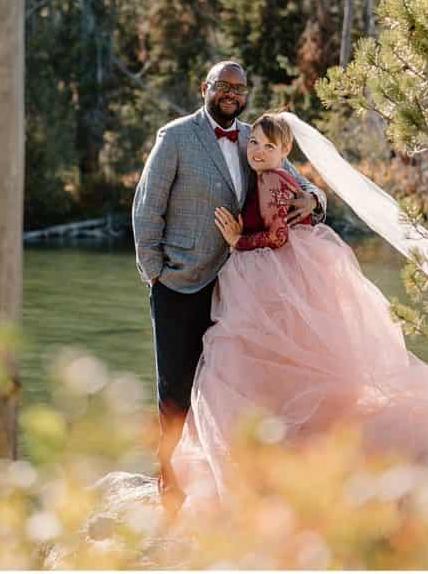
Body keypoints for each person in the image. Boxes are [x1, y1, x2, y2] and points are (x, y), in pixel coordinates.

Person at [171, 114, 428, 509]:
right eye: (256, 144)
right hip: (271, 271)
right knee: (281, 357)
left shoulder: (272, 175)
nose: (258, 150)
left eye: (269, 147)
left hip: (266, 270)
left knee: (249, 359)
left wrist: (238, 239)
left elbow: (278, 232)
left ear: (285, 151)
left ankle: (273, 450)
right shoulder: (243, 156)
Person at [132, 61, 327, 516]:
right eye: (223, 86)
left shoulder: (253, 139)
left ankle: (219, 483)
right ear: (205, 88)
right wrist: (155, 272)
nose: (231, 94)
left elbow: (300, 185)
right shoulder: (176, 136)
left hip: (240, 287)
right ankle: (168, 486)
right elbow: (147, 208)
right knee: (175, 387)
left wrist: (313, 200)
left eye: (239, 88)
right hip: (181, 283)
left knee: (229, 387)